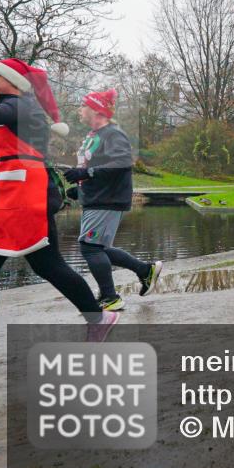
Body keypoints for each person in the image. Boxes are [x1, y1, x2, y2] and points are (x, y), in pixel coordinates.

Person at [0, 58, 118, 341]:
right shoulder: (10, 108)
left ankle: (99, 317)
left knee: (46, 265)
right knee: (40, 265)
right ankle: (99, 317)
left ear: (13, 80)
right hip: (13, 195)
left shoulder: (20, 106)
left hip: (27, 196)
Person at [64, 89, 162, 311]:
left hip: (107, 200)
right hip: (96, 198)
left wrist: (85, 175)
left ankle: (110, 297)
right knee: (98, 248)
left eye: (83, 105)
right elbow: (93, 167)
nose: (79, 110)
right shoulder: (93, 135)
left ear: (96, 109)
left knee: (90, 247)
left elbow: (122, 162)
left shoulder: (112, 134)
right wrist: (80, 189)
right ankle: (145, 271)